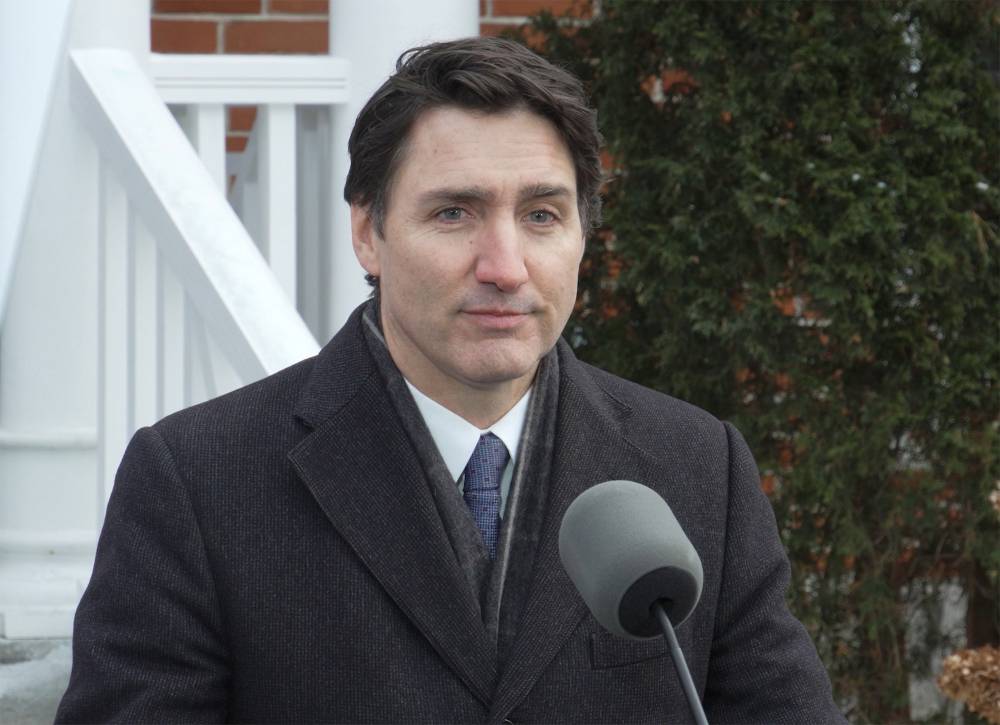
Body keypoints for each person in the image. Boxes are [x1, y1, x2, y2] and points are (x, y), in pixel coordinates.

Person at [57, 37, 845, 723]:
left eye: (541, 215)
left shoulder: (699, 468)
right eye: (454, 214)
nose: (504, 267)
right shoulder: (196, 481)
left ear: (582, 236)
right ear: (369, 232)